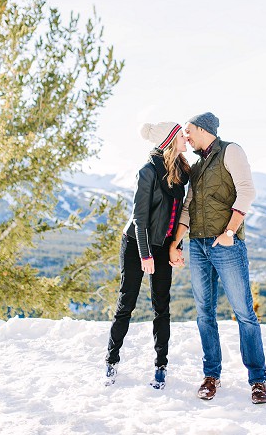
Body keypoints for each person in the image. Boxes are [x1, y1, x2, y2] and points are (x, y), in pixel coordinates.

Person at [169, 112, 266, 405]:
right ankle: (211, 376)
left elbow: (247, 191)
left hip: (225, 244)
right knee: (204, 313)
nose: (185, 136)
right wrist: (176, 243)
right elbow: (188, 206)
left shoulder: (231, 151)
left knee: (244, 313)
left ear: (203, 129)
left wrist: (229, 231)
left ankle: (258, 381)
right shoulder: (198, 167)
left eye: (188, 130)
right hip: (198, 246)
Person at [104, 121, 190, 389]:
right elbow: (139, 219)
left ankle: (161, 366)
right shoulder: (148, 172)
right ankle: (111, 360)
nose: (186, 139)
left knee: (161, 306)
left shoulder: (180, 172)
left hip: (163, 244)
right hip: (136, 244)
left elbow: (176, 216)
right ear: (169, 141)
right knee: (126, 301)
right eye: (181, 136)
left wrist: (176, 247)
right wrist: (145, 255)